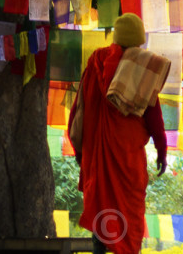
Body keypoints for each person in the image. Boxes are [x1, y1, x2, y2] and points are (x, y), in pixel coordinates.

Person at [69, 14, 169, 254]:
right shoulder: (142, 67)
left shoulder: (95, 62)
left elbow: (79, 108)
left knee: (100, 202)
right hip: (128, 157)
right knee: (128, 211)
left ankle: (99, 251)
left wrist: (80, 149)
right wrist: (161, 150)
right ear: (138, 40)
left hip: (96, 154)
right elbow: (153, 115)